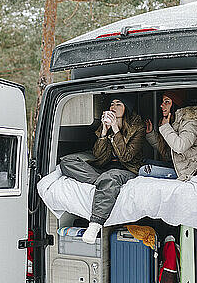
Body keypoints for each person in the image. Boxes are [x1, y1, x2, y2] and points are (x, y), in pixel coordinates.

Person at [60, 94, 145, 244]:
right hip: (105, 169)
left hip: (128, 170)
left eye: (119, 104)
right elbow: (98, 155)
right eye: (112, 104)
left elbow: (126, 157)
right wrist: (104, 132)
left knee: (111, 176)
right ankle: (103, 183)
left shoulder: (138, 128)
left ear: (127, 109)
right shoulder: (105, 126)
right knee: (67, 162)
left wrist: (115, 129)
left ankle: (95, 224)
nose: (113, 107)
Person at [142, 90, 197, 181]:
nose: (162, 105)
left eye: (167, 102)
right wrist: (150, 134)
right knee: (145, 162)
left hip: (190, 171)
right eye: (163, 102)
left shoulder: (191, 123)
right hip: (180, 166)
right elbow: (168, 153)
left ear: (176, 104)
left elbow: (179, 147)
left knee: (144, 171)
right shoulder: (176, 123)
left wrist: (165, 127)